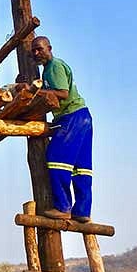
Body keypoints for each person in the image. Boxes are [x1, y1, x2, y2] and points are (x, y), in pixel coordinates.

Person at [28, 36, 93, 223]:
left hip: (71, 116)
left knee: (56, 159)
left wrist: (36, 92)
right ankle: (82, 211)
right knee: (81, 168)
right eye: (33, 50)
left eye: (39, 49)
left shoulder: (54, 67)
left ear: (49, 48)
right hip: (83, 117)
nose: (36, 53)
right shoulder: (47, 71)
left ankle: (63, 207)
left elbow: (63, 94)